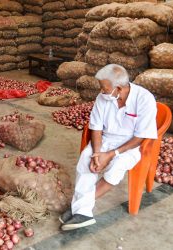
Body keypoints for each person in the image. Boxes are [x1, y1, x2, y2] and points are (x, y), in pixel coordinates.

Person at [59, 64, 158, 230]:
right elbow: (96, 128)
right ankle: (82, 212)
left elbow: (140, 137)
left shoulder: (144, 99)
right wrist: (97, 154)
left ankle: (80, 207)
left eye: (104, 88)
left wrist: (111, 154)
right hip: (105, 140)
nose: (101, 91)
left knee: (116, 168)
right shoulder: (103, 97)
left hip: (130, 146)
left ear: (118, 88)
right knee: (86, 159)